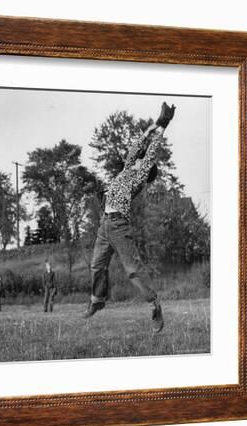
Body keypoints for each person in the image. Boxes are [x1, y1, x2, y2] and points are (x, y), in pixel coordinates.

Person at [83, 102, 176, 333]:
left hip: (119, 226)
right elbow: (137, 146)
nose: (137, 156)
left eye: (141, 158)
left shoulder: (141, 175)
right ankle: (97, 300)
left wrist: (163, 128)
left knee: (132, 270)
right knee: (96, 265)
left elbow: (150, 150)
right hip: (105, 224)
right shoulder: (126, 169)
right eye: (138, 157)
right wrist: (153, 124)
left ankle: (155, 305)